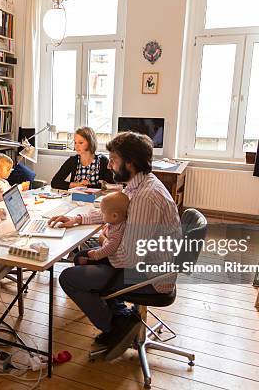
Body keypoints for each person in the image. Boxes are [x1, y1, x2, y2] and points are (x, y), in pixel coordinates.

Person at [49, 132, 182, 359]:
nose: (109, 164)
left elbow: (127, 258)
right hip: (146, 265)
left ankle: (116, 327)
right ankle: (122, 316)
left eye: (113, 159)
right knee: (82, 256)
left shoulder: (145, 198)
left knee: (70, 277)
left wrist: (102, 244)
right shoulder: (138, 184)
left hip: (149, 276)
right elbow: (114, 213)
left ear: (129, 163)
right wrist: (78, 220)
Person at [73, 192, 129, 266]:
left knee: (80, 258)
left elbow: (110, 248)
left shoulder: (118, 231)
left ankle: (90, 262)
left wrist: (97, 254)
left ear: (114, 216)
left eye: (103, 213)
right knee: (79, 256)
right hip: (107, 250)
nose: (101, 215)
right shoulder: (115, 222)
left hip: (112, 258)